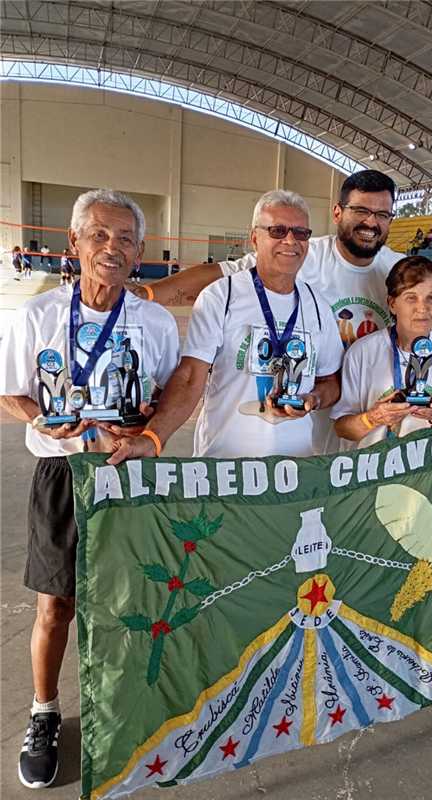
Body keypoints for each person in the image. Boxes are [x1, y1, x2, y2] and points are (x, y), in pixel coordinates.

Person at [0, 189, 180, 789]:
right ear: (73, 244)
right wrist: (41, 418)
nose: (112, 248)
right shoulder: (39, 315)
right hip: (63, 473)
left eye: (125, 238)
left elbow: (162, 401)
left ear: (141, 252)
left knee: (130, 602)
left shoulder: (154, 322)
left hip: (127, 476)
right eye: (99, 235)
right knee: (57, 604)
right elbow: (9, 393)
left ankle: (116, 707)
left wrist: (145, 425)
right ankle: (44, 712)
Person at [108, 190, 344, 465]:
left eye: (301, 233)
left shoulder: (317, 306)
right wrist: (153, 438)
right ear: (255, 237)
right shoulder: (222, 295)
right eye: (278, 230)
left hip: (291, 473)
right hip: (224, 469)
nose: (290, 240)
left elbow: (331, 382)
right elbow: (189, 378)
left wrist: (313, 398)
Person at [130, 170, 432, 345]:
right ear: (337, 212)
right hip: (307, 423)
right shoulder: (301, 253)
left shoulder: (398, 269)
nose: (371, 222)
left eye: (382, 214)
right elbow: (220, 275)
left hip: (367, 425)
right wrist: (142, 296)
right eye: (361, 210)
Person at [331, 256, 432, 446]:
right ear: (392, 304)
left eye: (431, 298)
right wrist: (373, 418)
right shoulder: (362, 352)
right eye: (411, 298)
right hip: (373, 470)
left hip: (428, 472)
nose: (423, 308)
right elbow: (342, 429)